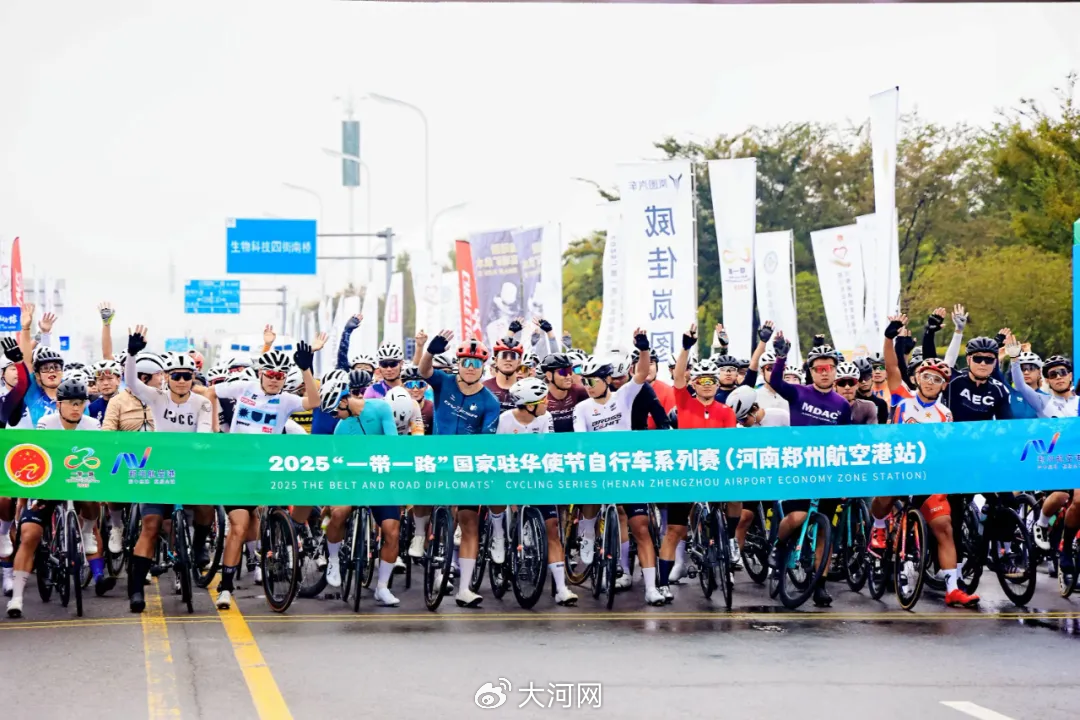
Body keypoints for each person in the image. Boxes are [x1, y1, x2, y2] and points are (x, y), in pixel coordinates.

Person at [873, 313, 979, 608]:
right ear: (917, 377)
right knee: (884, 495)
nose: (931, 382)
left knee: (944, 526)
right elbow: (892, 366)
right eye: (927, 376)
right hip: (898, 468)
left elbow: (946, 449)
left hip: (928, 477)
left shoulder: (946, 414)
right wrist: (889, 337)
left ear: (944, 385)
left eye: (938, 379)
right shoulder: (902, 398)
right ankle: (879, 527)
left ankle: (953, 588)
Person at [205, 341, 320, 610]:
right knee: (239, 526)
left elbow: (314, 402)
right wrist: (214, 430)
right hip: (238, 469)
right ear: (261, 374)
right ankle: (226, 587)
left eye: (280, 376)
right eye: (270, 374)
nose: (275, 379)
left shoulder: (286, 399)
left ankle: (278, 547)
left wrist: (306, 370)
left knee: (285, 510)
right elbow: (210, 392)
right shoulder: (244, 387)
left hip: (269, 469)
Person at [123, 327, 215, 611]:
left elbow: (204, 433)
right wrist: (132, 354)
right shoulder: (157, 397)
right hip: (159, 470)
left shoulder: (202, 403)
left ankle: (198, 546)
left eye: (187, 376)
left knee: (206, 506)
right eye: (176, 376)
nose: (182, 380)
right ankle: (136, 590)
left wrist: (197, 447)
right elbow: (131, 382)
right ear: (167, 377)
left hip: (189, 468)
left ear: (193, 378)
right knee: (150, 526)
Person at [572, 329, 663, 606]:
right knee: (589, 499)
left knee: (641, 527)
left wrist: (644, 349)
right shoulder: (582, 408)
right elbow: (580, 440)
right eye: (584, 381)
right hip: (599, 469)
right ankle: (588, 533)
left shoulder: (623, 396)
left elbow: (642, 373)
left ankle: (651, 588)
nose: (588, 386)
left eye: (592, 381)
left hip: (626, 470)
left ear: (606, 380)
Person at [8, 376, 110, 618]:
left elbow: (103, 460)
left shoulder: (92, 424)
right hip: (49, 485)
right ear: (59, 405)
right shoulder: (46, 422)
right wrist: (26, 498)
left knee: (92, 502)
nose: (76, 407)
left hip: (80, 483)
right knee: (29, 535)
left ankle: (87, 532)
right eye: (71, 403)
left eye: (80, 403)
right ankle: (17, 597)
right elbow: (38, 458)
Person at [418, 330, 501, 607]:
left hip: (467, 466)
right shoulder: (444, 383)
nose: (470, 368)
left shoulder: (490, 402)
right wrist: (430, 351)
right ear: (458, 364)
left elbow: (486, 440)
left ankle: (464, 588)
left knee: (469, 523)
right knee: (427, 502)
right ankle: (420, 537)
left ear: (483, 367)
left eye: (476, 364)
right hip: (438, 461)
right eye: (465, 362)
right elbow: (423, 371)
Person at [656, 324, 738, 602]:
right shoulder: (685, 403)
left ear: (717, 383)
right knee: (675, 531)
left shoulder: (726, 411)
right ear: (694, 384)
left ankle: (729, 543)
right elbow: (679, 375)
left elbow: (729, 445)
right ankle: (662, 582)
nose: (707, 384)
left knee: (735, 497)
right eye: (701, 380)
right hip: (685, 474)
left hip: (714, 471)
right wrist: (686, 348)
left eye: (711, 380)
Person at [768, 331, 850, 607]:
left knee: (825, 531)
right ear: (811, 372)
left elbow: (845, 442)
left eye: (829, 368)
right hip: (799, 467)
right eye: (819, 369)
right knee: (797, 516)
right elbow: (775, 382)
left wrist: (844, 480)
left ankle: (820, 585)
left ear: (835, 371)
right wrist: (780, 357)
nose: (825, 373)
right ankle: (780, 547)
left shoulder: (842, 405)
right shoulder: (799, 392)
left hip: (829, 470)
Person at [493, 377, 578, 606]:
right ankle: (499, 539)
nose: (547, 403)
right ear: (529, 405)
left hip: (537, 479)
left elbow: (549, 447)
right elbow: (497, 453)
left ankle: (561, 588)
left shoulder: (545, 418)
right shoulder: (505, 420)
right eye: (543, 400)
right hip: (511, 478)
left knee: (552, 528)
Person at [329, 369, 404, 606]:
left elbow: (393, 442)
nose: (335, 415)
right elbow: (337, 464)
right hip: (352, 480)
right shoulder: (341, 428)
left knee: (392, 531)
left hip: (380, 477)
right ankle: (333, 561)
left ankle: (382, 587)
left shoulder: (380, 407)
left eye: (337, 410)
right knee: (339, 512)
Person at [540, 353, 588, 434]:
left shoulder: (580, 392)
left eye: (569, 371)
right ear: (549, 376)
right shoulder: (541, 398)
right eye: (563, 372)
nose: (568, 376)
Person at [483, 335, 524, 411]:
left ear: (519, 362)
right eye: (503, 355)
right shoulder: (483, 388)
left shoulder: (526, 390)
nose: (508, 359)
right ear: (495, 360)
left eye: (513, 356)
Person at [853, 357, 889, 424]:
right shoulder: (850, 403)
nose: (863, 381)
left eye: (866, 377)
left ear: (872, 377)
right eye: (860, 379)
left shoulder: (881, 404)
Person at [401, 363, 434, 435]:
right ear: (403, 387)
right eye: (410, 385)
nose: (415, 389)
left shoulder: (432, 408)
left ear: (426, 387)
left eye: (420, 384)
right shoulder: (397, 407)